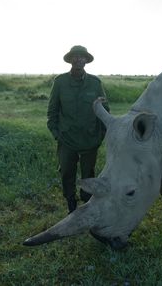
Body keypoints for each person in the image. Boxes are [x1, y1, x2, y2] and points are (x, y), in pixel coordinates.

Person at [47, 45, 109, 213]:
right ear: (71, 59)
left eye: (82, 57)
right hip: (66, 140)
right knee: (67, 173)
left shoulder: (95, 83)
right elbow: (52, 112)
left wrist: (100, 137)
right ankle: (71, 205)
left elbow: (105, 111)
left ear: (86, 61)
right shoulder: (60, 82)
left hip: (90, 140)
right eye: (76, 56)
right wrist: (57, 134)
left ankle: (87, 204)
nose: (79, 59)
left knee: (88, 174)